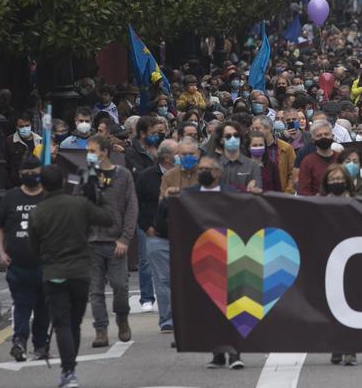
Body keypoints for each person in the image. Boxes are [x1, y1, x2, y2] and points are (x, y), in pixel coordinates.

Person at [155, 156, 246, 369]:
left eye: (208, 168)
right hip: (201, 257)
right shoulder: (187, 195)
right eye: (201, 168)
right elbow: (162, 223)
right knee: (210, 308)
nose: (203, 171)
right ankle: (217, 353)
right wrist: (166, 201)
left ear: (218, 172)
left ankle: (235, 353)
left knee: (232, 307)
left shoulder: (232, 195)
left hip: (230, 254)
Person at [29, 164, 114, 388]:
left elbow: (34, 248)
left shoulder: (37, 212)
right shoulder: (80, 204)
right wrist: (99, 195)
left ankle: (68, 371)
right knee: (74, 324)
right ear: (64, 183)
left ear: (42, 185)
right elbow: (108, 219)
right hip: (80, 273)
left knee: (62, 324)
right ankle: (70, 368)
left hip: (54, 273)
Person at [85, 134, 138, 349]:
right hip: (92, 244)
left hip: (116, 242)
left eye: (92, 151)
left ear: (105, 153)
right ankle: (101, 330)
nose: (89, 155)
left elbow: (131, 207)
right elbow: (79, 207)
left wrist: (125, 238)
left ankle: (122, 319)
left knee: (120, 287)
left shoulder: (123, 175)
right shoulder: (86, 176)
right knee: (95, 291)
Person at [0, 156, 50, 362]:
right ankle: (19, 340)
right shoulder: (11, 198)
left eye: (35, 173)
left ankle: (41, 344)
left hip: (45, 265)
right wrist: (1, 252)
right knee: (22, 304)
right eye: (27, 174)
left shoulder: (48, 197)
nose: (31, 177)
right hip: (18, 265)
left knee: (44, 308)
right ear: (20, 175)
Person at [136, 139, 178, 329]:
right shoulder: (146, 176)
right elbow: (137, 204)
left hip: (183, 234)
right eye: (177, 153)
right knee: (162, 279)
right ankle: (167, 319)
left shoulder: (184, 175)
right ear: (167, 156)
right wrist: (146, 227)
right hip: (157, 235)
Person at [321, 164, 359, 366]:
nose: (336, 182)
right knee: (331, 306)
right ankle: (335, 345)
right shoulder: (317, 205)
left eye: (339, 178)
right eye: (332, 179)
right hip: (328, 260)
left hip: (352, 260)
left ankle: (350, 348)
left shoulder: (357, 203)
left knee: (350, 305)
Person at [296, 121, 339, 196]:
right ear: (313, 140)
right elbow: (303, 191)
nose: (323, 137)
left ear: (332, 136)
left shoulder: (340, 158)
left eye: (326, 134)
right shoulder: (307, 162)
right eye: (319, 135)